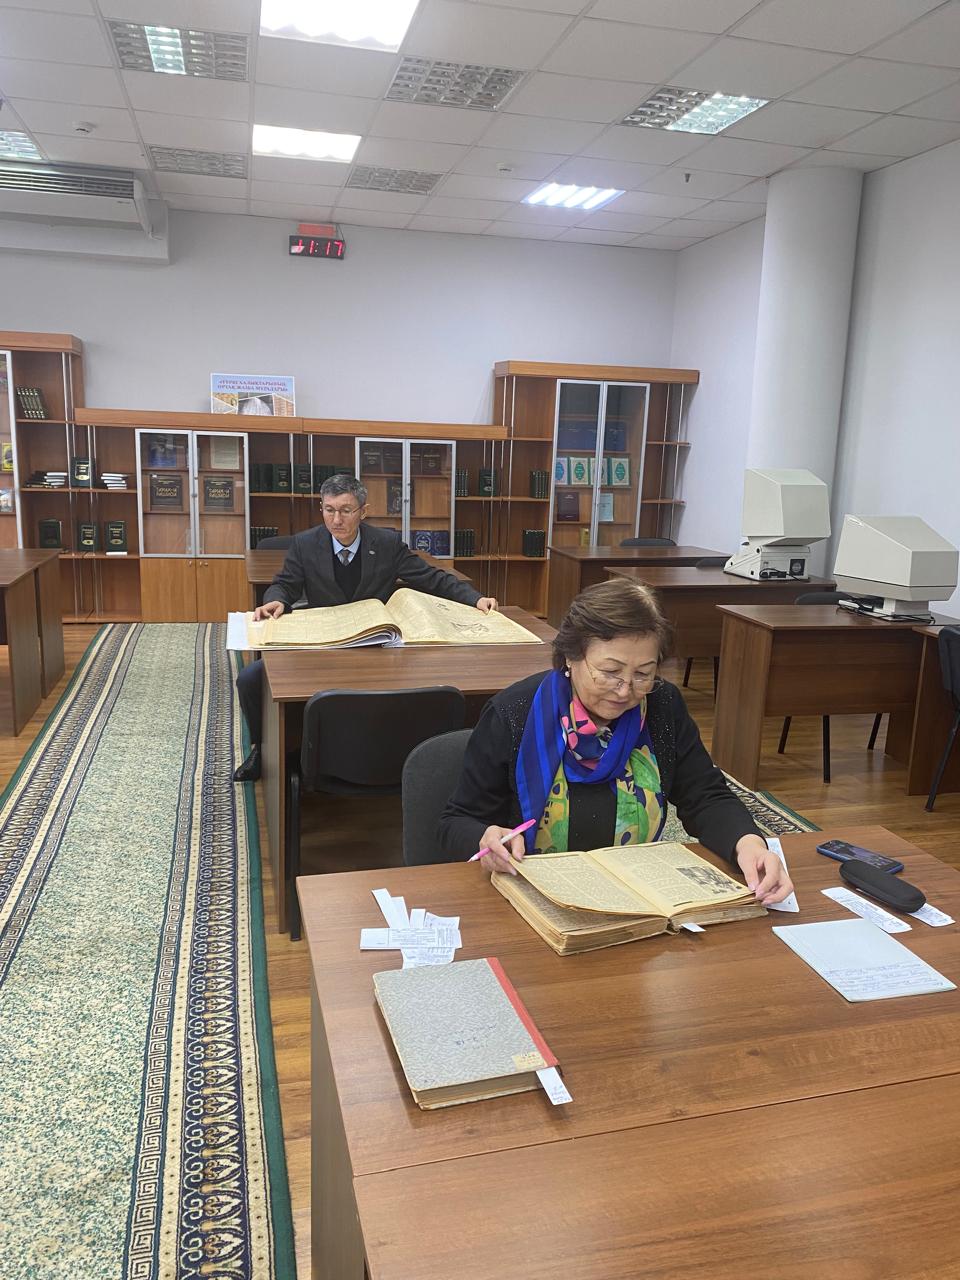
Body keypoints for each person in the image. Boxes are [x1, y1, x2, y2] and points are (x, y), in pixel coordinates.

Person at [437, 577, 793, 905]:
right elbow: (457, 821)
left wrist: (748, 843)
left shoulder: (662, 706)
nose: (625, 691)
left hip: (637, 897)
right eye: (609, 672)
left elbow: (705, 795)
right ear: (571, 656)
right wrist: (486, 836)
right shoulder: (514, 713)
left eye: (643, 674)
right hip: (533, 898)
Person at [234, 473, 497, 781]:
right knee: (250, 679)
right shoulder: (305, 544)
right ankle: (262, 749)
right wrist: (276, 600)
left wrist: (475, 598)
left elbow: (431, 578)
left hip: (376, 646)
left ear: (363, 511)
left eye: (346, 510)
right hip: (325, 643)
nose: (336, 519)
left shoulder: (386, 543)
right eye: (329, 509)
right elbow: (285, 584)